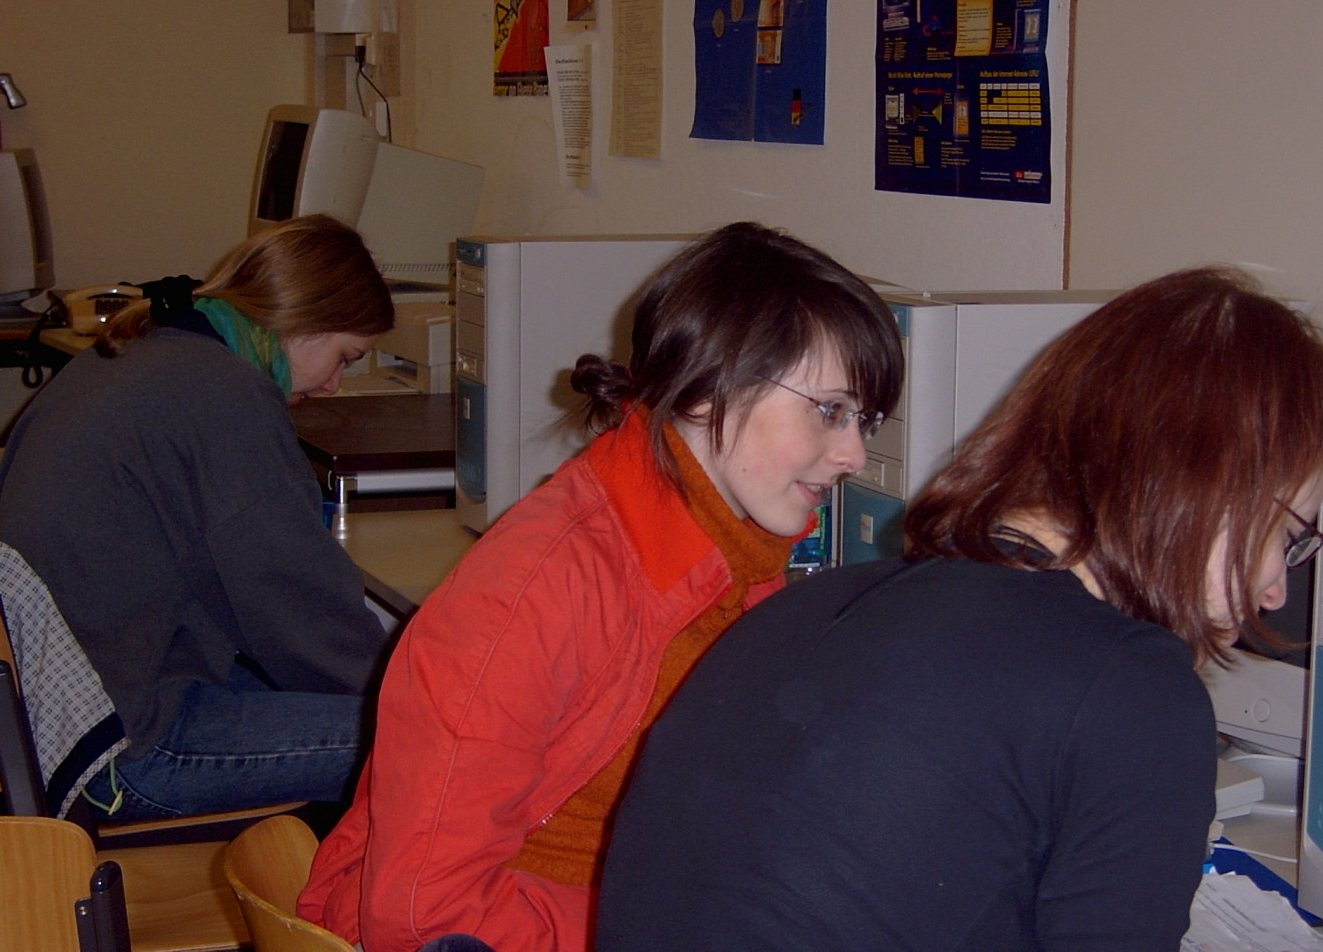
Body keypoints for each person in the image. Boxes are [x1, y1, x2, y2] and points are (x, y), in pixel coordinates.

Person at [596, 267, 1323, 952]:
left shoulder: (813, 606)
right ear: (1208, 486)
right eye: (1287, 534)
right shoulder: (1130, 691)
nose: (1277, 591)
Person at [297, 221, 906, 952]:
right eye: (831, 410)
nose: (852, 455)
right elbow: (427, 918)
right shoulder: (541, 587)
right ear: (712, 389)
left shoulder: (735, 565)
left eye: (863, 420)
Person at [0, 214, 395, 820]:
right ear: (303, 322)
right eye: (345, 356)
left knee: (332, 695)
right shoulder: (223, 394)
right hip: (119, 746)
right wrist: (424, 689)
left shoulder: (135, 353)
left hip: (60, 718)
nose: (336, 384)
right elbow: (294, 602)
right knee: (423, 743)